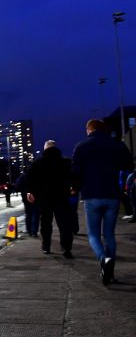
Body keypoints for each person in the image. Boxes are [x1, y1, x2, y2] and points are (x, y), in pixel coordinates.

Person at [72, 118, 133, 284]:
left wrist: (75, 188)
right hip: (112, 195)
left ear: (89, 130)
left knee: (93, 235)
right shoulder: (116, 144)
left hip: (91, 195)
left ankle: (103, 259)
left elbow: (75, 172)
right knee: (109, 234)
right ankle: (110, 272)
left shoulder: (81, 146)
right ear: (104, 129)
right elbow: (128, 164)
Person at [26, 140, 74, 258]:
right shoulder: (65, 162)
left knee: (46, 223)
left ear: (45, 149)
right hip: (61, 197)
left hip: (44, 198)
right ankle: (66, 248)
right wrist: (73, 188)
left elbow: (29, 178)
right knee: (64, 224)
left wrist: (30, 192)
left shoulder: (38, 162)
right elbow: (73, 176)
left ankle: (46, 246)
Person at [15, 172, 39, 237]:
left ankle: (29, 231)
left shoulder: (22, 176)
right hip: (36, 196)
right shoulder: (37, 175)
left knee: (28, 214)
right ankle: (34, 231)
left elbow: (17, 187)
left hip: (26, 196)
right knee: (35, 213)